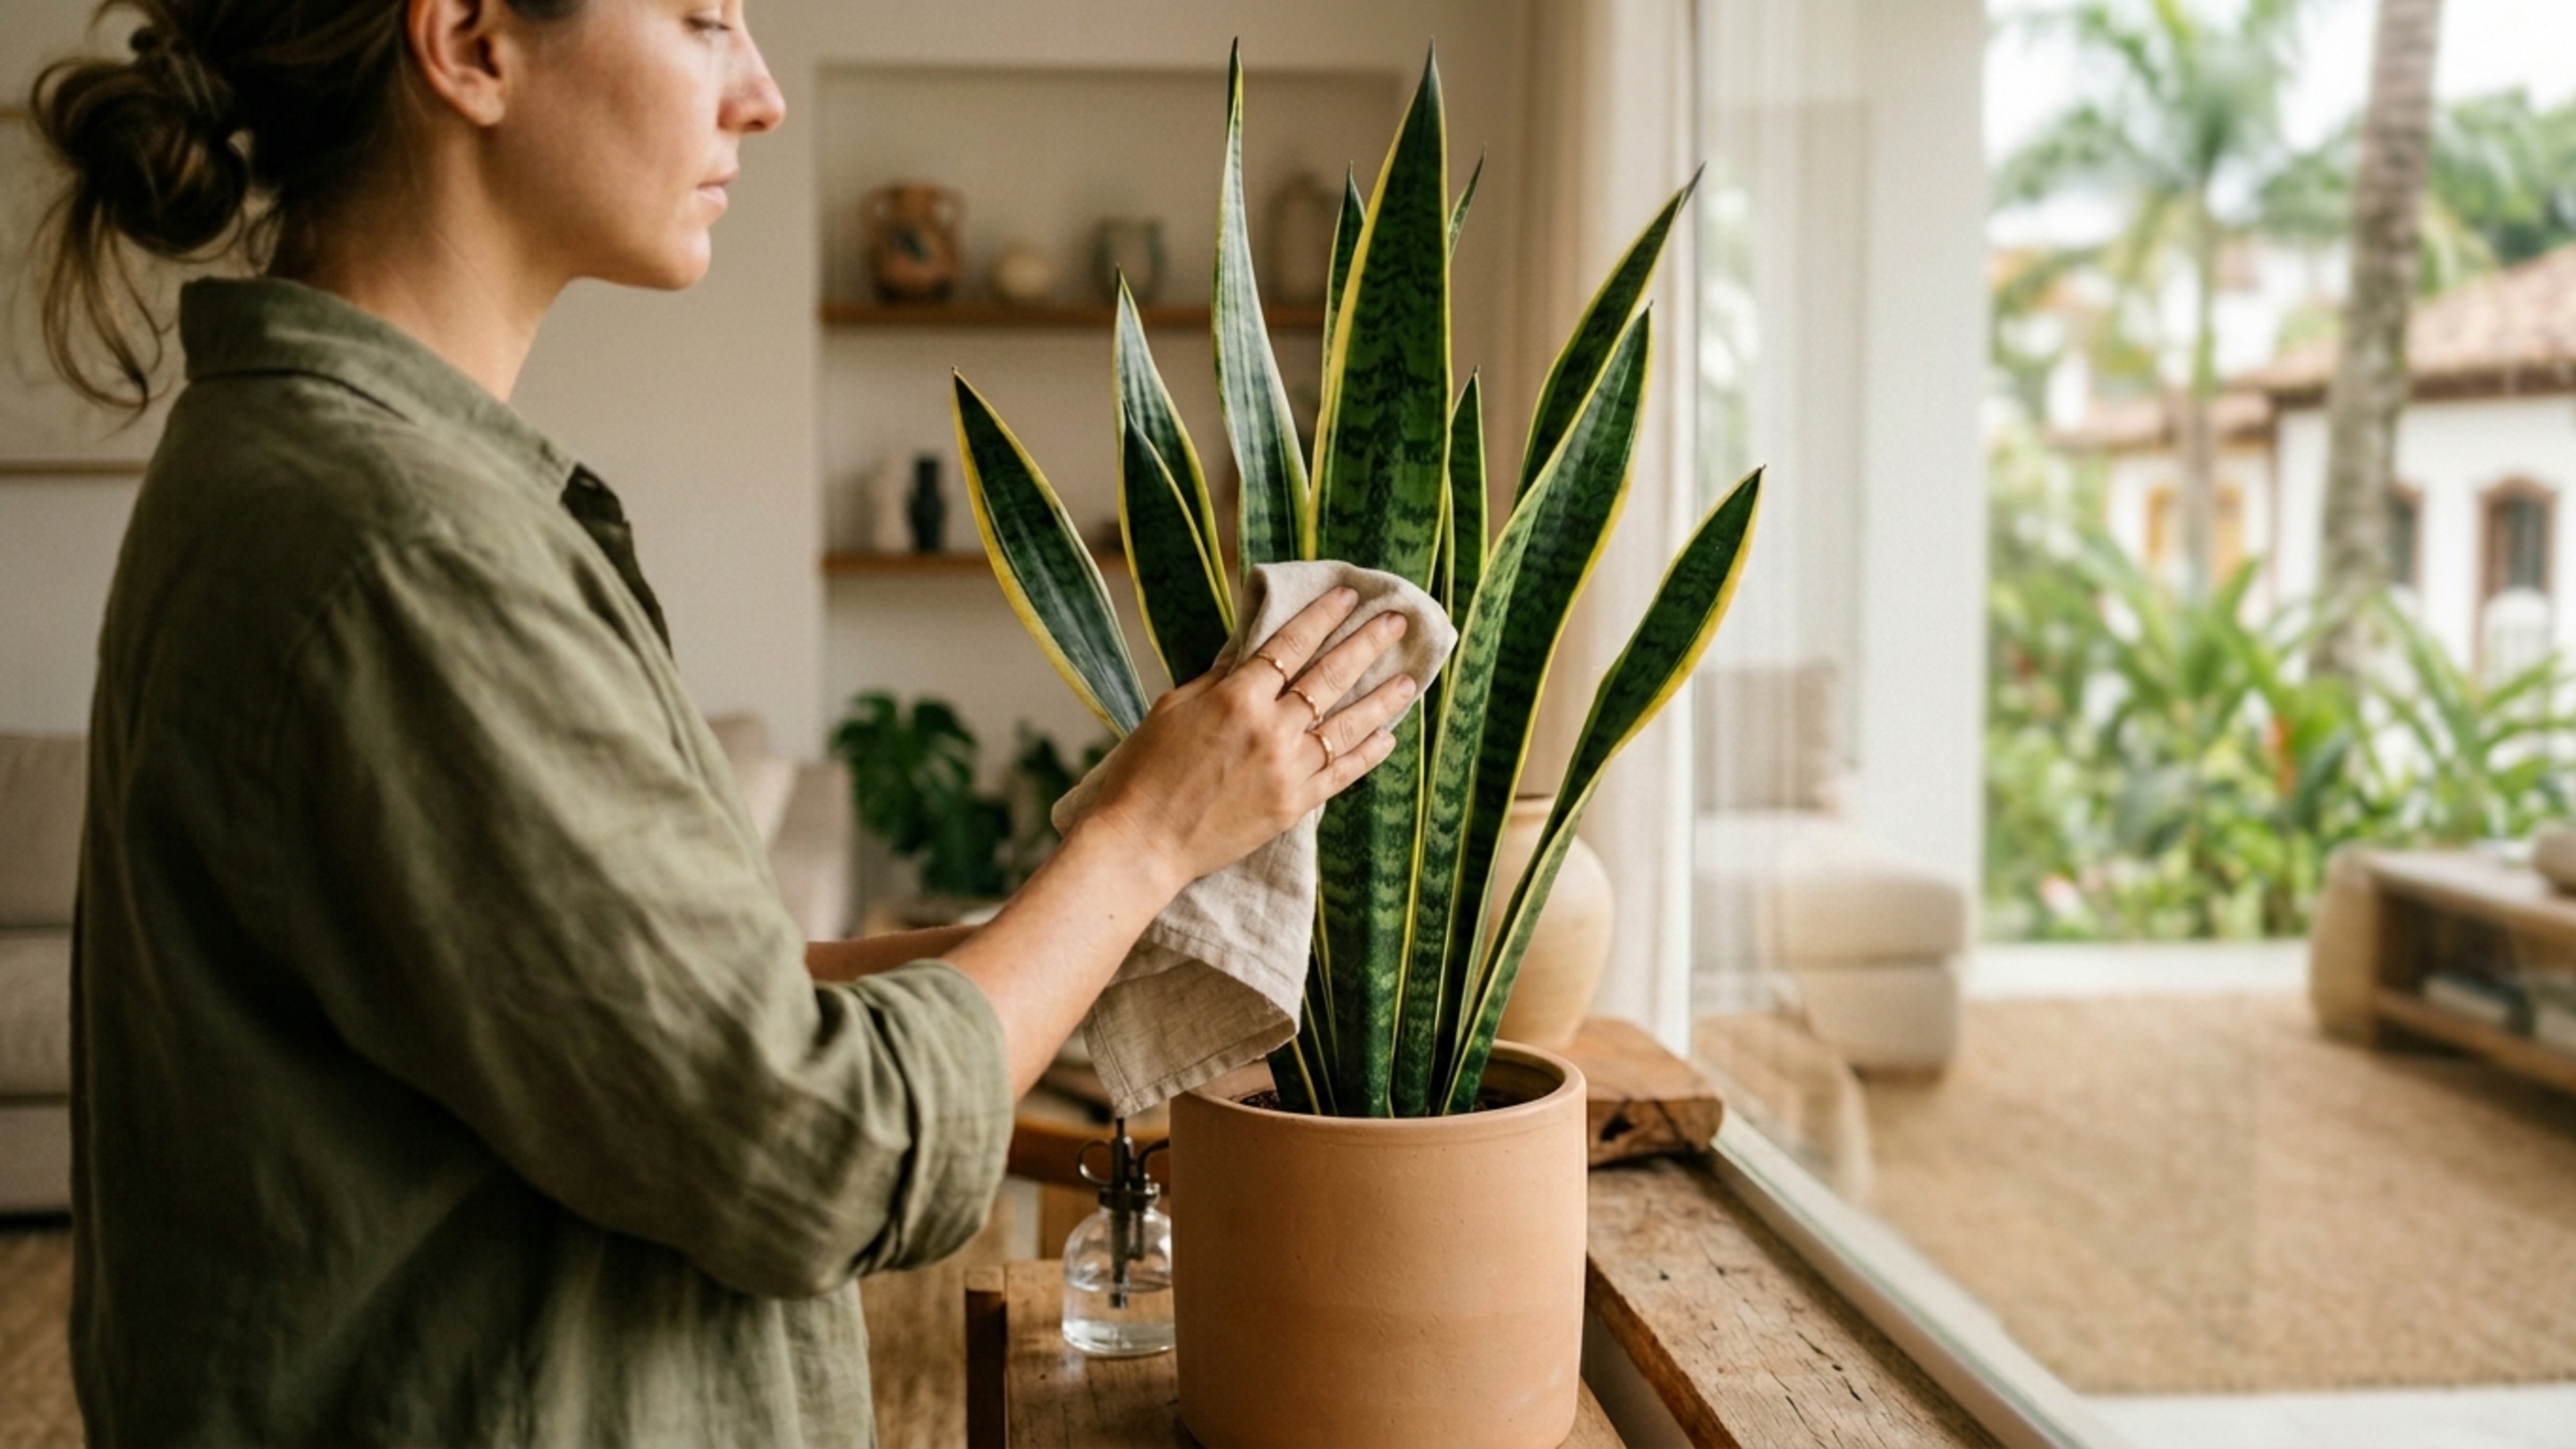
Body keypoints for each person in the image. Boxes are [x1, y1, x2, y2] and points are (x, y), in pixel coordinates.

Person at [28, 0, 1414, 1442]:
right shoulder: (404, 549)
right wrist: (1142, 837)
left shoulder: (319, 474)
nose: (762, 94)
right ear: (472, 44)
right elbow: (820, 1149)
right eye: (701, 18)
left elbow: (685, 1011)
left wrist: (1092, 939)